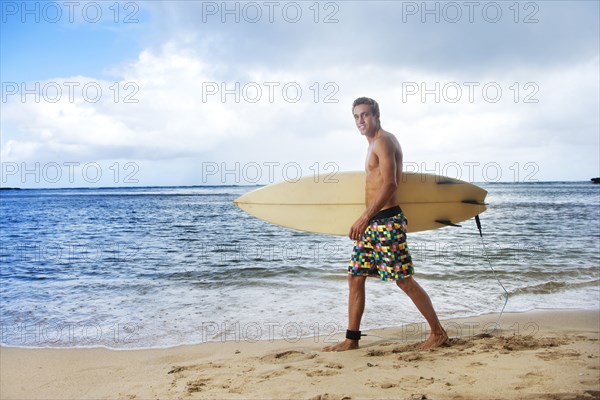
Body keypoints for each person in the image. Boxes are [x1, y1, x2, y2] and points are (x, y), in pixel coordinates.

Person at [322, 97, 448, 352]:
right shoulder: (373, 144)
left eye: (365, 115)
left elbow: (391, 183)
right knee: (355, 277)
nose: (361, 120)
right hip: (372, 224)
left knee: (404, 280)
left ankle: (438, 332)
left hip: (386, 222)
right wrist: (367, 219)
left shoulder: (384, 141)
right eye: (357, 116)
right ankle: (352, 338)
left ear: (377, 115)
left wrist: (364, 217)